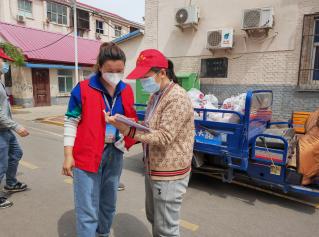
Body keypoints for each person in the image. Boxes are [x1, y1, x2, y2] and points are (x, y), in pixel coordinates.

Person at [105, 49, 195, 237]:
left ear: (162, 73)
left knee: (166, 229)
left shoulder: (176, 97)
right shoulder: (155, 97)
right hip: (153, 168)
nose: (142, 82)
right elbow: (148, 128)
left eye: (145, 77)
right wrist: (129, 125)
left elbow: (163, 137)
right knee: (154, 217)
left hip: (169, 173)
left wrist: (128, 130)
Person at [62, 42, 137, 237]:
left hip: (114, 153)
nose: (115, 74)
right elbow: (71, 121)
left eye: (119, 70)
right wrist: (68, 155)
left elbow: (131, 119)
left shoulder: (126, 90)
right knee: (87, 208)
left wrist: (126, 133)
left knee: (108, 204)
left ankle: (102, 233)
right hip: (87, 154)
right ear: (100, 67)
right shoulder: (83, 89)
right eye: (110, 70)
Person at [0, 48, 29, 209]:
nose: (5, 64)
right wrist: (16, 126)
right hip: (2, 129)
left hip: (5, 129)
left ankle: (10, 183)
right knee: (1, 164)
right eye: (2, 61)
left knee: (17, 153)